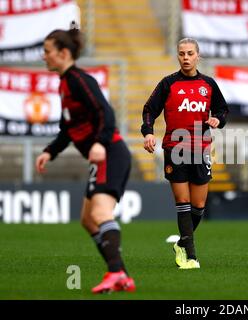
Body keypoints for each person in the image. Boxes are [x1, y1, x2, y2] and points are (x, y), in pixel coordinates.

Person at [35, 23, 135, 293]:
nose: (44, 56)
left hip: (111, 153)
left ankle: (115, 272)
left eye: (47, 51)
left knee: (100, 213)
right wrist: (49, 151)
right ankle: (121, 274)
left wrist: (101, 143)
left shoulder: (80, 80)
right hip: (103, 156)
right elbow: (68, 128)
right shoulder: (65, 85)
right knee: (88, 220)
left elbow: (106, 113)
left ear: (64, 53)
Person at [141, 38, 228, 269]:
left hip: (201, 149)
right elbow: (150, 110)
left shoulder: (208, 84)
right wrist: (148, 133)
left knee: (198, 206)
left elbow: (222, 109)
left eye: (190, 53)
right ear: (178, 56)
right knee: (183, 202)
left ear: (198, 56)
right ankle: (190, 256)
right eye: (182, 54)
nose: (186, 57)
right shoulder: (168, 84)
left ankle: (181, 243)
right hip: (175, 149)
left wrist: (218, 119)